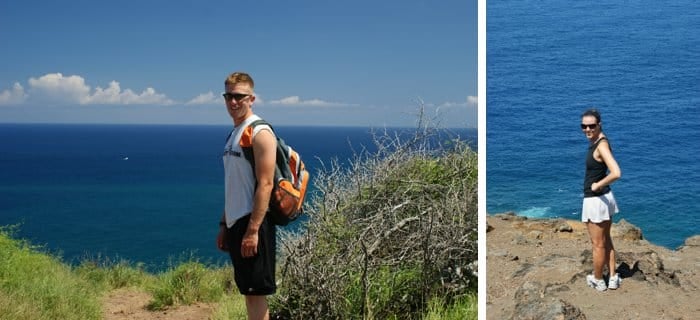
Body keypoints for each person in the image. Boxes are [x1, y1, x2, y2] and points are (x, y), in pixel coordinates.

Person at [216, 72, 277, 319]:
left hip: (254, 223)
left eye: (239, 97)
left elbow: (266, 184)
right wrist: (224, 225)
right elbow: (235, 184)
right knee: (248, 292)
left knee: (256, 293)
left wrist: (252, 231)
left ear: (251, 98)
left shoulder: (260, 132)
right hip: (236, 223)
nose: (233, 102)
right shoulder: (234, 134)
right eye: (229, 96)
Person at [580, 108, 622, 292]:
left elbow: (616, 172)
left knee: (597, 244)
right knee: (605, 239)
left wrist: (597, 184)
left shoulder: (601, 146)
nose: (587, 129)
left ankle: (598, 279)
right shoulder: (601, 140)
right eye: (584, 126)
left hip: (596, 200)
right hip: (606, 198)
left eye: (591, 126)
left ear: (599, 125)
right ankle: (613, 276)